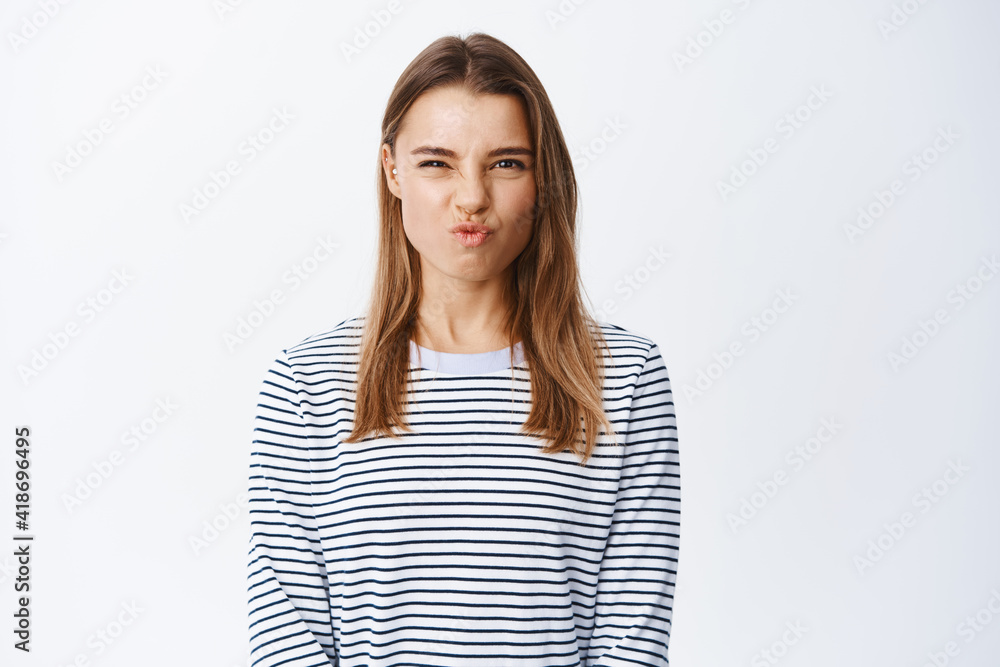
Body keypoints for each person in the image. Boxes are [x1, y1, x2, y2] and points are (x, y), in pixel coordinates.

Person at [247, 32, 680, 667]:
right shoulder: (306, 382)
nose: (471, 196)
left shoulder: (623, 378)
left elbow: (630, 645)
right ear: (392, 171)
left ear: (542, 178)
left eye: (506, 163)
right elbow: (289, 641)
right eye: (436, 162)